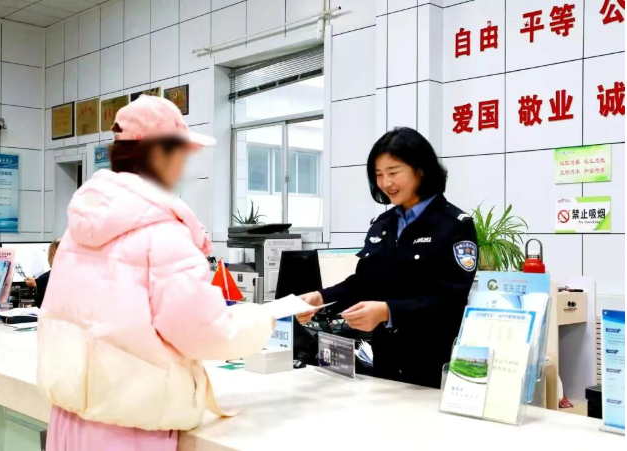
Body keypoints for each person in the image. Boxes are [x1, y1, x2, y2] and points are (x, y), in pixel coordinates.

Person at [37, 96, 274, 451]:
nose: (184, 168)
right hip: (129, 427)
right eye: (182, 155)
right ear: (159, 155)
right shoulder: (163, 232)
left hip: (68, 421)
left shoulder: (79, 227)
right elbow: (203, 331)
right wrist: (265, 319)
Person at [298, 127, 477, 389]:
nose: (385, 183)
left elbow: (450, 300)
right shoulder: (383, 225)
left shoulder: (454, 225)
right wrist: (321, 298)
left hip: (432, 364)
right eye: (379, 174)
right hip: (386, 363)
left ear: (421, 169)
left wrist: (388, 311)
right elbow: (363, 283)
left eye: (393, 172)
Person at [25, 239, 60, 308]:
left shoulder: (44, 279)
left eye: (48, 255)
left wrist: (34, 287)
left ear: (53, 256)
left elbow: (40, 307)